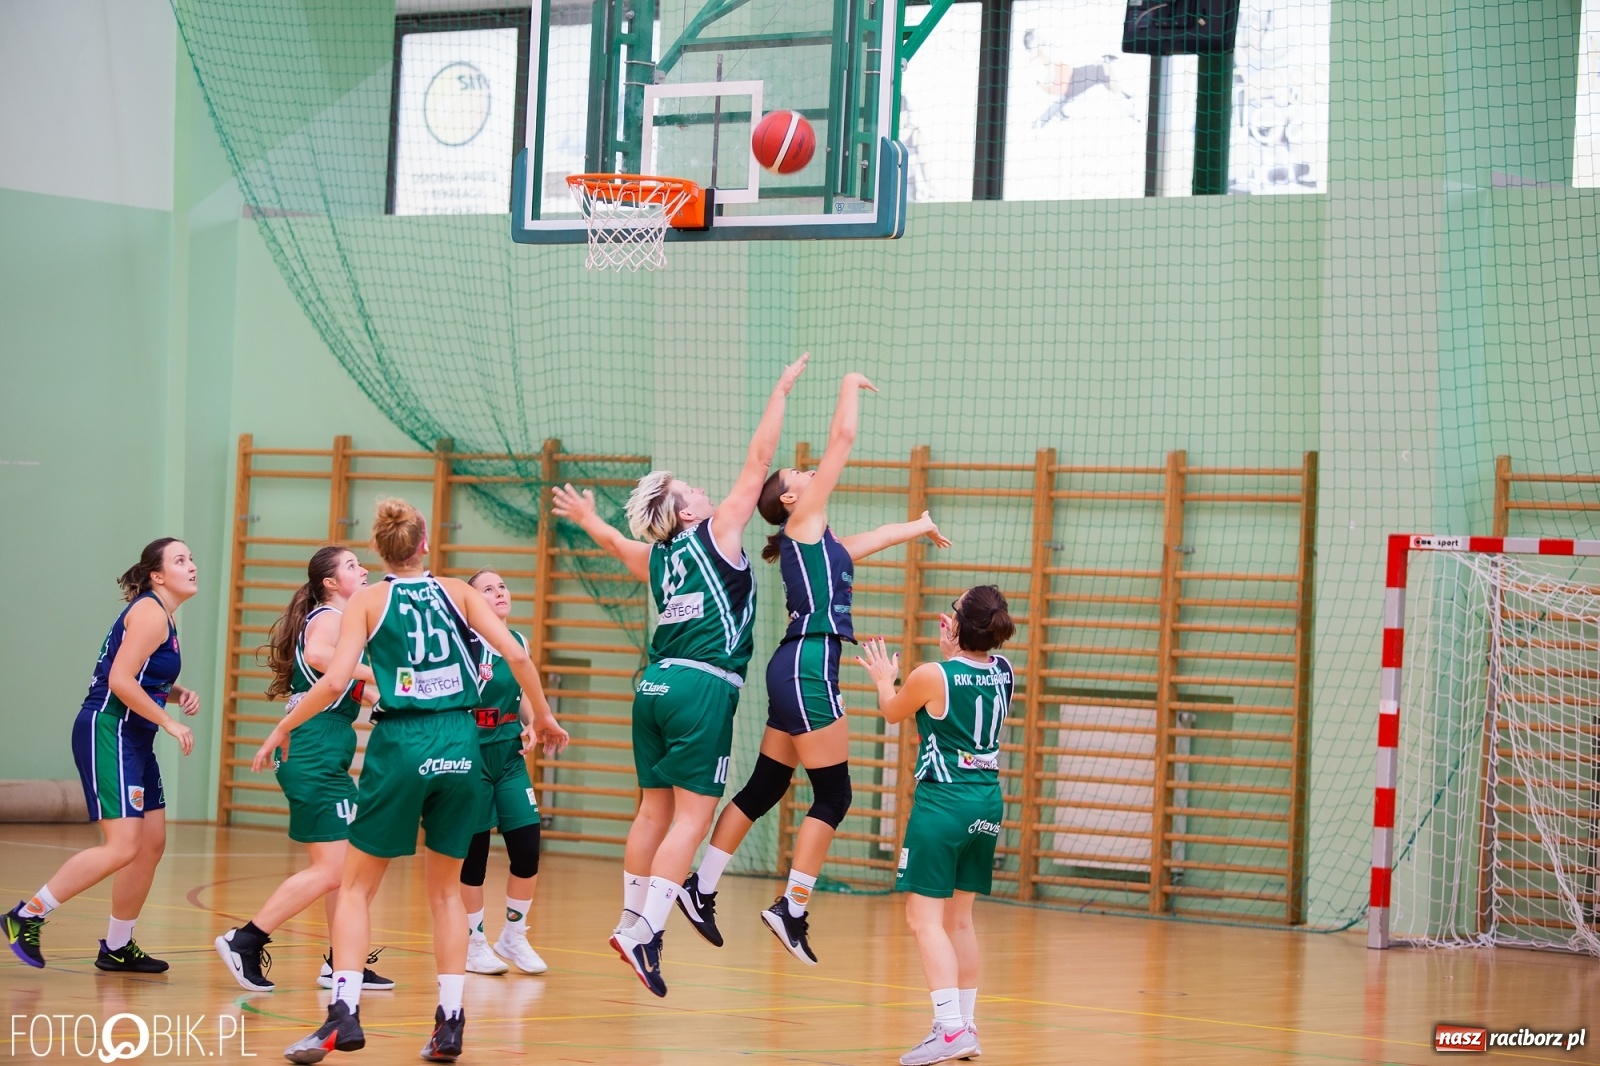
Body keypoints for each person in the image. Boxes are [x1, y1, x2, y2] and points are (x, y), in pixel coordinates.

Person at [252, 499, 563, 1064]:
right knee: (445, 892)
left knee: (354, 886)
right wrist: (542, 715)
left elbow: (332, 682)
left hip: (400, 743)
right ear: (424, 544)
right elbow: (516, 653)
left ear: (380, 550)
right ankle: (449, 1024)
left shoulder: (368, 601)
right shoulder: (459, 592)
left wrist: (281, 727)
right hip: (460, 742)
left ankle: (341, 1014)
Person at [550, 351, 808, 997]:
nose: (704, 489)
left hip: (652, 687)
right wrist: (779, 389)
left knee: (651, 814)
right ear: (689, 512)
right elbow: (758, 462)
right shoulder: (716, 533)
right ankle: (646, 932)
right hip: (700, 688)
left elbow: (615, 544)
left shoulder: (658, 559)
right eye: (693, 487)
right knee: (692, 819)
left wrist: (587, 519)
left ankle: (630, 919)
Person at [677, 372, 951, 965]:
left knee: (768, 786)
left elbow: (874, 538)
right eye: (799, 476)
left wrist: (920, 525)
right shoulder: (802, 523)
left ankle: (700, 888)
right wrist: (848, 383)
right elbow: (844, 439)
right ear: (793, 501)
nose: (808, 473)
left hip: (796, 663)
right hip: (807, 663)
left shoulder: (823, 543)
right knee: (835, 792)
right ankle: (791, 908)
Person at [4, 538, 201, 972]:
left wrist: (177, 693)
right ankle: (26, 915)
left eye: (191, 558)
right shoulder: (150, 613)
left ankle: (116, 946)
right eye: (181, 560)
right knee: (123, 845)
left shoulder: (163, 616)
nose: (192, 566)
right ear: (157, 574)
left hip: (134, 735)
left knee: (150, 845)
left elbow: (142, 676)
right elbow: (120, 681)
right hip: (109, 730)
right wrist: (170, 722)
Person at [214, 546, 394, 994]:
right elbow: (319, 658)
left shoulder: (341, 622)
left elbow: (348, 687)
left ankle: (341, 961)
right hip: (313, 750)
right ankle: (245, 940)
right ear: (331, 583)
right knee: (336, 870)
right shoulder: (330, 617)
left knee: (351, 864)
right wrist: (383, 677)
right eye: (352, 566)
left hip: (324, 748)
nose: (364, 570)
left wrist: (396, 700)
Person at [857, 585, 1015, 1066]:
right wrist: (953, 654)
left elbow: (892, 711)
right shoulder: (1005, 671)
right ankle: (964, 1025)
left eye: (953, 608)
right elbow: (963, 683)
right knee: (960, 919)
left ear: (959, 624)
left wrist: (886, 676)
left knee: (922, 919)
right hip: (987, 801)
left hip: (943, 804)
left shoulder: (929, 676)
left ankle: (948, 1031)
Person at [460, 569, 569, 977]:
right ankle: (474, 943)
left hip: (507, 755)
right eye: (487, 588)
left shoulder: (518, 642)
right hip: (469, 753)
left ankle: (514, 935)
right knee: (475, 855)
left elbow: (522, 693)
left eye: (502, 586)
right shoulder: (463, 644)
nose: (499, 591)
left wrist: (529, 721)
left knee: (526, 846)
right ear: (471, 601)